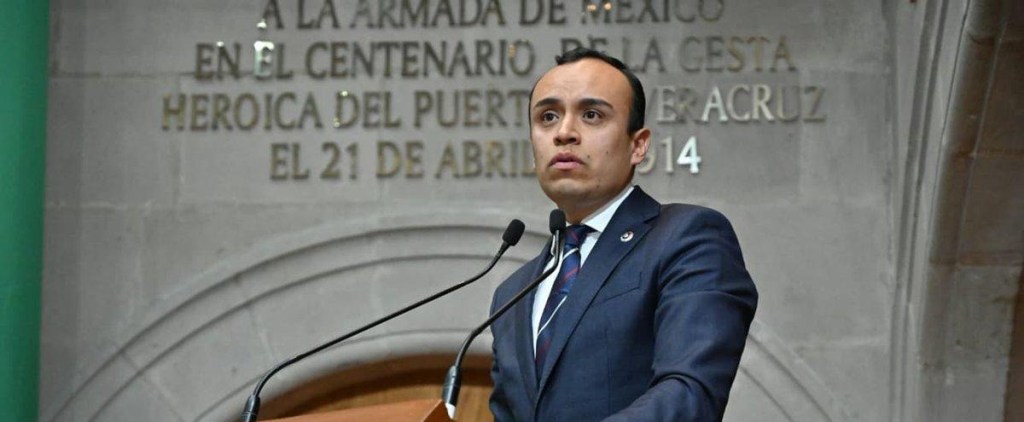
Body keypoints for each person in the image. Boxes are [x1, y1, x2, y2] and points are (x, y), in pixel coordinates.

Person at [488, 47, 759, 421]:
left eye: (592, 115)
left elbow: (689, 394)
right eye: (548, 117)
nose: (564, 133)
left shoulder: (688, 239)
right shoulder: (513, 293)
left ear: (638, 145)